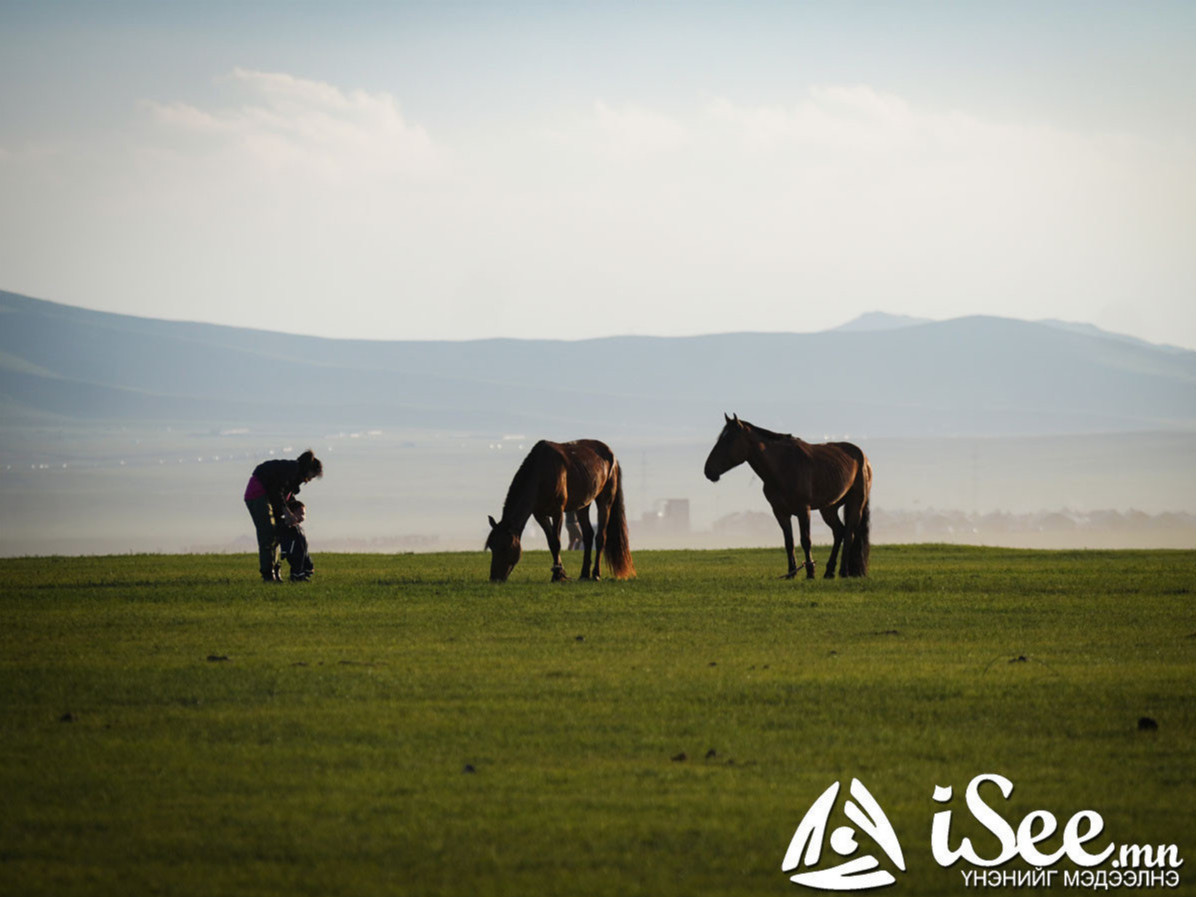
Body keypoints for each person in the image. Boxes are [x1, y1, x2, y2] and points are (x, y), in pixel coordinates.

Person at [243, 449, 323, 582]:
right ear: (308, 470)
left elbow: (286, 496)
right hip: (258, 494)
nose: (309, 480)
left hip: (266, 496)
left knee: (276, 534)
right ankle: (268, 574)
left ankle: (275, 572)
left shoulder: (294, 474)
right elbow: (277, 492)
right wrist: (287, 512)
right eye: (312, 476)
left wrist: (298, 509)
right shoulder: (292, 470)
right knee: (268, 534)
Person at [279, 497, 315, 582]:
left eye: (304, 514)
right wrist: (285, 552)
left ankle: (301, 576)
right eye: (300, 514)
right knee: (297, 565)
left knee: (305, 564)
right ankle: (296, 577)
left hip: (302, 552)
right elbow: (285, 540)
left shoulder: (298, 527)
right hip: (293, 552)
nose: (303, 517)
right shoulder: (288, 527)